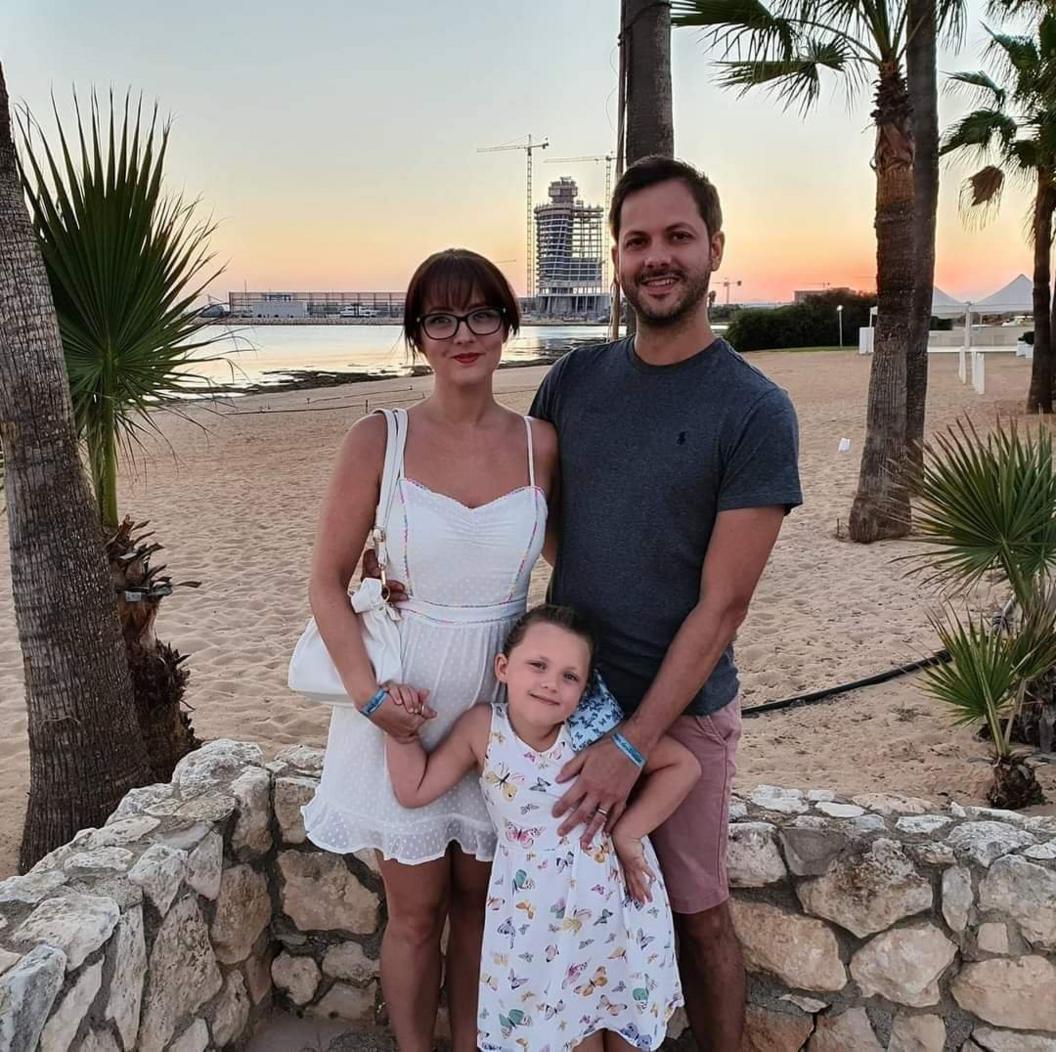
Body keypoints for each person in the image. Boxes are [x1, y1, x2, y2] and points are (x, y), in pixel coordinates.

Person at [529, 156, 803, 1049]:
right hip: (568, 710)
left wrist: (633, 741)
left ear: (714, 249)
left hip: (680, 718)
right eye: (638, 240)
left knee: (697, 914)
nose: (657, 257)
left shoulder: (754, 410)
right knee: (574, 903)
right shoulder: (572, 384)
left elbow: (723, 608)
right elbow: (538, 523)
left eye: (677, 237)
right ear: (616, 257)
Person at [301, 248, 558, 1052]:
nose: (463, 334)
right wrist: (372, 700)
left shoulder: (540, 444)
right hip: (402, 699)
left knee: (484, 903)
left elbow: (579, 569)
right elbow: (324, 583)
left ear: (508, 326)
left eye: (482, 313)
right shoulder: (379, 436)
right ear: (417, 335)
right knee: (414, 913)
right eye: (440, 318)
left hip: (500, 710)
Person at [385, 605, 701, 1052]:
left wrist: (628, 833)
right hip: (539, 920)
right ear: (503, 667)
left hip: (616, 912)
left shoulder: (593, 730)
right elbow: (415, 788)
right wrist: (400, 732)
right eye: (538, 665)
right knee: (564, 1035)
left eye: (570, 677)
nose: (551, 683)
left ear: (583, 689)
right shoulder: (482, 729)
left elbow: (682, 766)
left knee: (627, 1028)